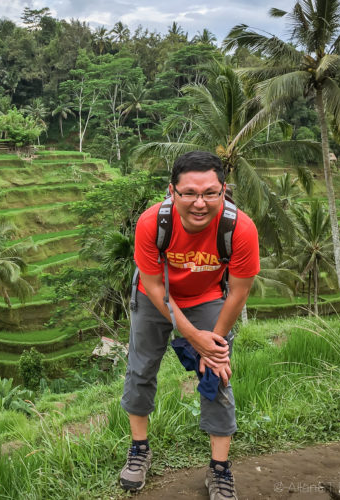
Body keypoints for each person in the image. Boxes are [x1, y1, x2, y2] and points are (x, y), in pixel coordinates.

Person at [118, 151, 260, 499]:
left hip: (207, 296)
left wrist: (212, 343)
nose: (200, 203)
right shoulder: (152, 223)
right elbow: (154, 286)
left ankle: (220, 469)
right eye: (190, 193)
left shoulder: (239, 228)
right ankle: (139, 449)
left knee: (217, 373)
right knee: (141, 369)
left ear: (223, 190)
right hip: (154, 296)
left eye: (210, 193)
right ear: (172, 191)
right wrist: (191, 335)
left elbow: (239, 291)